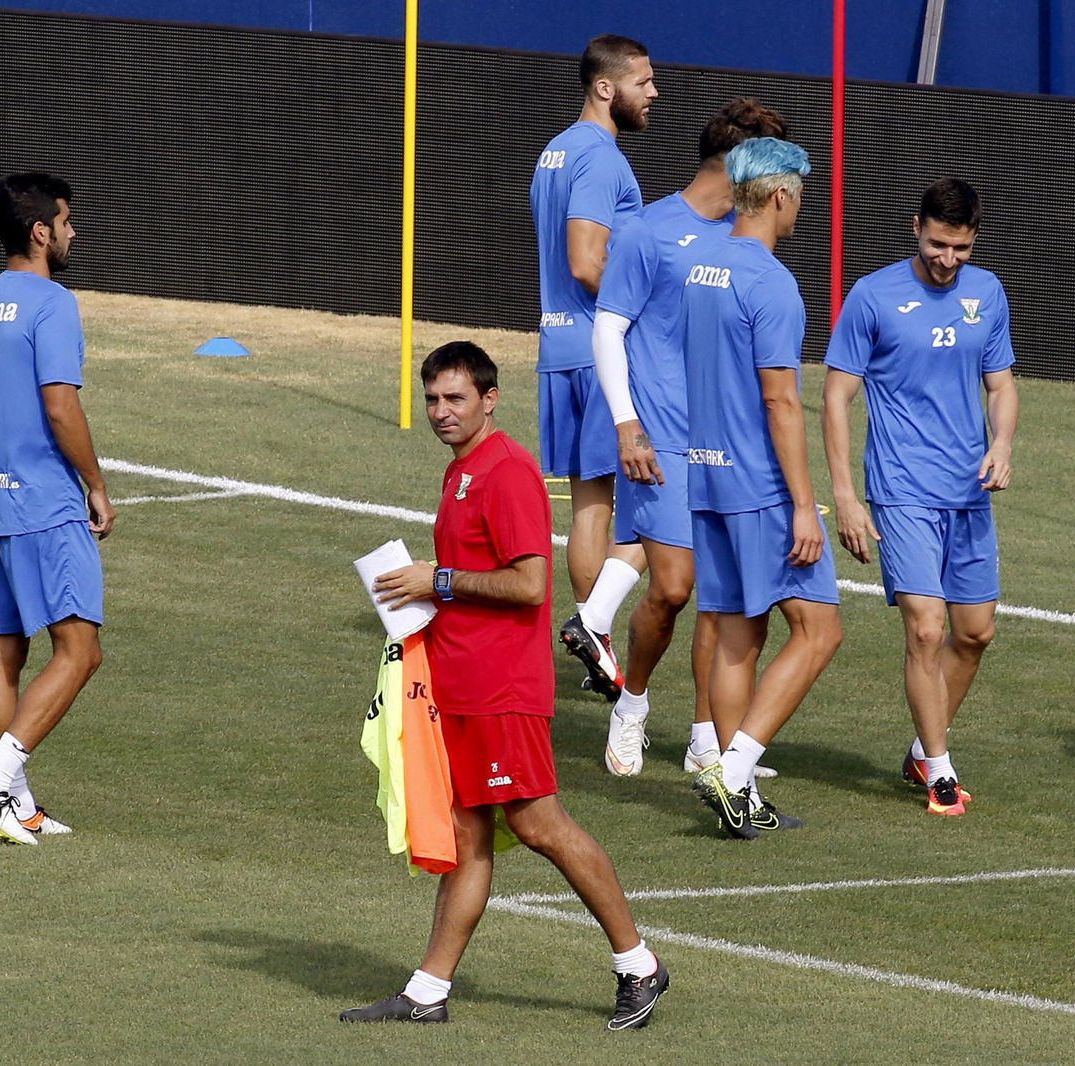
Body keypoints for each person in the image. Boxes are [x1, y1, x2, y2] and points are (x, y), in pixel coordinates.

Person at [351, 342, 669, 1029]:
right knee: (468, 839)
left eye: (455, 399)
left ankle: (639, 965)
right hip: (460, 688)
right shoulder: (460, 472)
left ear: (490, 399)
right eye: (432, 399)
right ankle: (427, 992)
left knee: (538, 823)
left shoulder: (507, 472)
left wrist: (435, 580)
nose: (441, 412)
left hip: (502, 693)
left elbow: (530, 584)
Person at [591, 97, 791, 778]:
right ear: (742, 168)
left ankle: (708, 740)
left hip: (729, 449)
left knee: (721, 600)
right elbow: (608, 327)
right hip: (659, 442)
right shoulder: (649, 233)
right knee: (673, 588)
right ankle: (633, 702)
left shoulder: (745, 240)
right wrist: (626, 424)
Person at [822, 178, 1019, 817]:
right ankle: (939, 771)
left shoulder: (987, 294)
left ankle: (920, 747)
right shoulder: (874, 296)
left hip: (969, 491)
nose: (947, 259)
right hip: (902, 490)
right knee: (927, 629)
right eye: (938, 244)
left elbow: (1001, 384)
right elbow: (835, 396)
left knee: (975, 631)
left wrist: (1004, 442)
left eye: (960, 248)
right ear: (917, 228)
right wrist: (847, 497)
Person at [681, 137, 843, 839]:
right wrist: (805, 505)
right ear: (780, 196)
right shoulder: (772, 283)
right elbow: (780, 402)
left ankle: (734, 792)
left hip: (705, 476)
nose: (801, 207)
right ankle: (735, 769)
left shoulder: (700, 267)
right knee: (819, 629)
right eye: (801, 194)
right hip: (759, 487)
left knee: (737, 636)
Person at [0, 173, 113, 846]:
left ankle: (13, 805)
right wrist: (95, 483)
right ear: (41, 231)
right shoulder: (53, 304)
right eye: (67, 221)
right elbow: (59, 404)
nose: (74, 232)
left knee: (3, 651)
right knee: (80, 652)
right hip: (45, 503)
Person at [530, 33, 658, 701]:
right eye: (643, 81)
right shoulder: (601, 160)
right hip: (597, 357)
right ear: (606, 88)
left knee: (589, 509)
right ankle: (595, 630)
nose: (653, 92)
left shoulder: (554, 150)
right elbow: (586, 262)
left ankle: (594, 647)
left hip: (559, 352)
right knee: (640, 513)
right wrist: (647, 308)